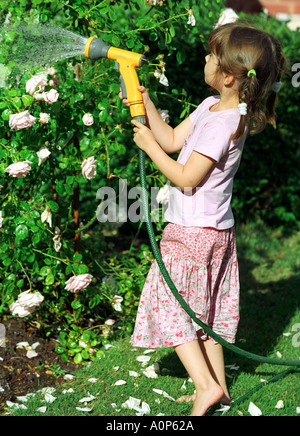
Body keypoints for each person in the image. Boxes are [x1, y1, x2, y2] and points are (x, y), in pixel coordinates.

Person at [120, 22, 284, 416]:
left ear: (227, 75)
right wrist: (147, 107)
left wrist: (148, 148)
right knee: (205, 315)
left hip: (192, 233)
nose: (205, 58)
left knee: (171, 307)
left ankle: (205, 386)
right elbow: (174, 140)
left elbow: (186, 176)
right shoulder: (213, 108)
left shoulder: (220, 125)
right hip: (214, 232)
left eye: (211, 56)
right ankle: (221, 389)